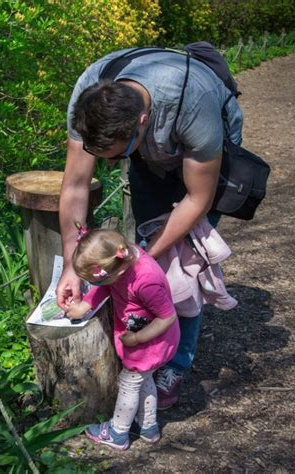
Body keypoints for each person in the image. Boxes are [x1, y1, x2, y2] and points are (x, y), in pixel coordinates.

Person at [57, 47, 244, 409]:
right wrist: (71, 265)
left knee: (181, 263)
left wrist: (141, 258)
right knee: (148, 252)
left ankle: (174, 363)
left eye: (114, 157)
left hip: (205, 147)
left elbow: (198, 199)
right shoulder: (88, 99)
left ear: (141, 122)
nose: (108, 165)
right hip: (148, 148)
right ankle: (145, 340)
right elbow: (76, 186)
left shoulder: (194, 102)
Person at [65, 225, 179, 450]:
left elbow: (167, 317)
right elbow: (105, 287)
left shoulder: (146, 281)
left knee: (128, 383)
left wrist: (137, 339)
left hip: (151, 342)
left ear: (115, 272)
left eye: (96, 280)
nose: (96, 285)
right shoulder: (120, 260)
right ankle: (148, 427)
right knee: (144, 380)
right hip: (144, 340)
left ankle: (117, 432)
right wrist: (84, 306)